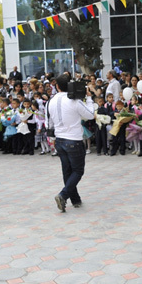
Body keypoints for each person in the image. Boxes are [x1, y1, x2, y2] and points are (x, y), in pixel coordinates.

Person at [46, 74, 95, 212]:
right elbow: (90, 115)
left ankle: (75, 199)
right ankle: (63, 195)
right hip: (73, 139)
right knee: (78, 170)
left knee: (67, 171)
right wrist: (89, 98)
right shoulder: (74, 100)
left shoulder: (51, 101)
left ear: (57, 86)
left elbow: (48, 123)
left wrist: (52, 139)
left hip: (59, 139)